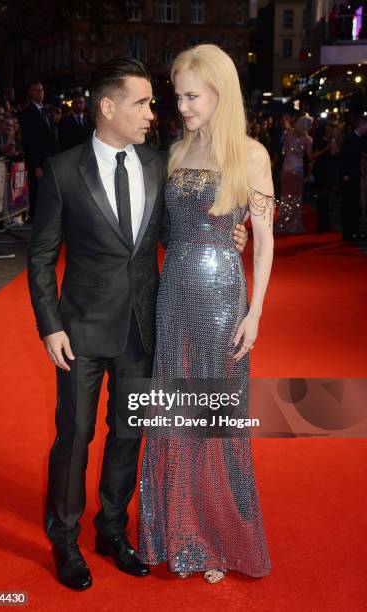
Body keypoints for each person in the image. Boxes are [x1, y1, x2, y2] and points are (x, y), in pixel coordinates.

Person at [27, 55, 251, 591]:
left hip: (144, 330)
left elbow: (179, 234)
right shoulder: (62, 171)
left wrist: (228, 236)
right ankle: (64, 539)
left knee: (127, 434)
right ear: (107, 107)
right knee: (75, 435)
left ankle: (111, 529)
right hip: (79, 332)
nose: (154, 112)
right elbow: (40, 257)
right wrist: (50, 325)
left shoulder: (159, 164)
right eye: (142, 102)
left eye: (154, 101)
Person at [138, 44, 274, 584]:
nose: (183, 106)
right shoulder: (174, 152)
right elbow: (168, 232)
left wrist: (256, 312)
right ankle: (179, 532)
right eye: (179, 96)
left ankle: (218, 537)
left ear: (221, 94)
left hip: (222, 304)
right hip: (172, 300)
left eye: (192, 96)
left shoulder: (253, 155)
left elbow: (263, 242)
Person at [19, 80, 59, 220]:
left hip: (51, 159)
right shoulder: (27, 113)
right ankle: (37, 219)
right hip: (38, 160)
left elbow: (52, 137)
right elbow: (30, 141)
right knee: (37, 191)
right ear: (30, 92)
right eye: (36, 90)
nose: (40, 93)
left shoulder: (46, 111)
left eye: (41, 90)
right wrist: (36, 165)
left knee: (50, 191)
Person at [274, 114, 313, 234]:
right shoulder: (307, 139)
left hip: (286, 169)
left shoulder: (288, 134)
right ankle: (293, 224)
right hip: (297, 170)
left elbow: (284, 151)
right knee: (296, 198)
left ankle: (282, 222)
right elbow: (310, 157)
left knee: (285, 197)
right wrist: (325, 149)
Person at [340, 117, 367, 240]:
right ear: (361, 125)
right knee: (348, 204)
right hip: (349, 176)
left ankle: (354, 231)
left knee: (355, 204)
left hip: (355, 175)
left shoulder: (360, 139)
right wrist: (345, 173)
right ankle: (348, 232)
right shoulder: (350, 139)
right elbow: (344, 157)